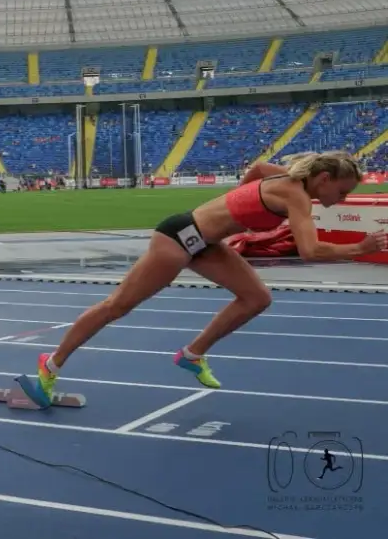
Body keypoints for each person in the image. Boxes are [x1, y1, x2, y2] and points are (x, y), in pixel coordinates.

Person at [30, 151, 386, 406]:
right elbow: (309, 251)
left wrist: (235, 205)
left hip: (206, 242)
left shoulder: (288, 178)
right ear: (323, 179)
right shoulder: (297, 196)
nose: (343, 199)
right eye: (342, 191)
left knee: (257, 298)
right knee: (117, 306)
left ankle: (192, 354)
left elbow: (260, 167)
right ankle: (53, 362)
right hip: (178, 237)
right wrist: (358, 248)